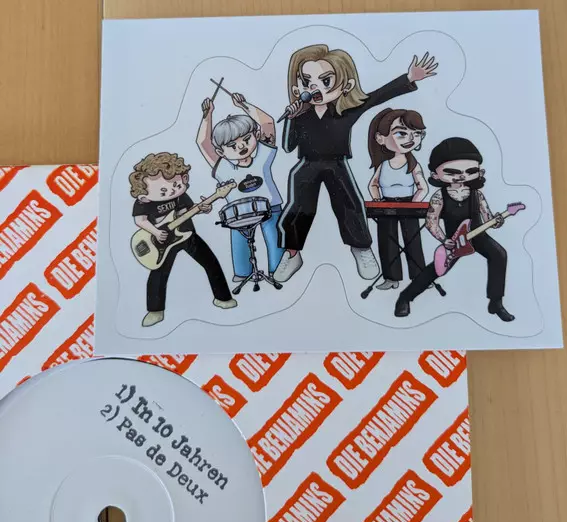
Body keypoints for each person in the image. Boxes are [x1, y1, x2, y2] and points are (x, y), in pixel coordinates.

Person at [274, 45, 438, 283]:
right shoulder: (301, 114)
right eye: (307, 81)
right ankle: (292, 253)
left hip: (337, 163)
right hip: (307, 164)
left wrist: (409, 79)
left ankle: (361, 248)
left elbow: (377, 96)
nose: (314, 88)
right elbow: (288, 146)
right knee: (298, 208)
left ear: (345, 85)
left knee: (350, 204)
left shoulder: (345, 111)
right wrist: (291, 118)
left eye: (325, 81)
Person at [394, 137, 514, 322]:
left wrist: (498, 221)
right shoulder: (439, 196)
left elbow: (488, 218)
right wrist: (444, 240)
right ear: (436, 175)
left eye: (470, 171)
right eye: (452, 172)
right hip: (454, 240)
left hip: (478, 236)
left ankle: (496, 302)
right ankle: (405, 298)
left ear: (479, 172)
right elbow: (431, 222)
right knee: (436, 269)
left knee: (499, 254)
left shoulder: (477, 194)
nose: (461, 176)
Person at [130, 152, 236, 327]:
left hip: (186, 234)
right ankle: (155, 311)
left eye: (176, 185)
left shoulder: (181, 196)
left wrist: (202, 208)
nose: (172, 191)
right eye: (163, 190)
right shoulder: (143, 203)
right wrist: (156, 232)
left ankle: (223, 298)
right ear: (143, 195)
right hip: (160, 243)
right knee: (158, 274)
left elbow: (184, 213)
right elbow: (140, 221)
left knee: (211, 262)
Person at [197, 92, 284, 282]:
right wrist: (207, 116)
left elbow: (267, 123)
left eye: (246, 139)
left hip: (271, 207)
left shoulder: (263, 153)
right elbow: (203, 143)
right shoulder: (221, 165)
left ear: (256, 135)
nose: (241, 147)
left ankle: (277, 270)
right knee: (239, 241)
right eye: (232, 145)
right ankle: (243, 273)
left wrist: (244, 105)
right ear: (221, 151)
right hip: (239, 212)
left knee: (275, 237)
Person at [367, 108, 428, 290]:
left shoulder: (413, 165)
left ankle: (419, 277)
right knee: (387, 241)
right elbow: (373, 184)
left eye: (416, 134)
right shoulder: (383, 165)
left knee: (413, 241)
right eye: (401, 133)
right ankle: (391, 278)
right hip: (385, 204)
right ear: (380, 138)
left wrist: (414, 204)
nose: (410, 139)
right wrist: (377, 200)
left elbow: (423, 187)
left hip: (409, 204)